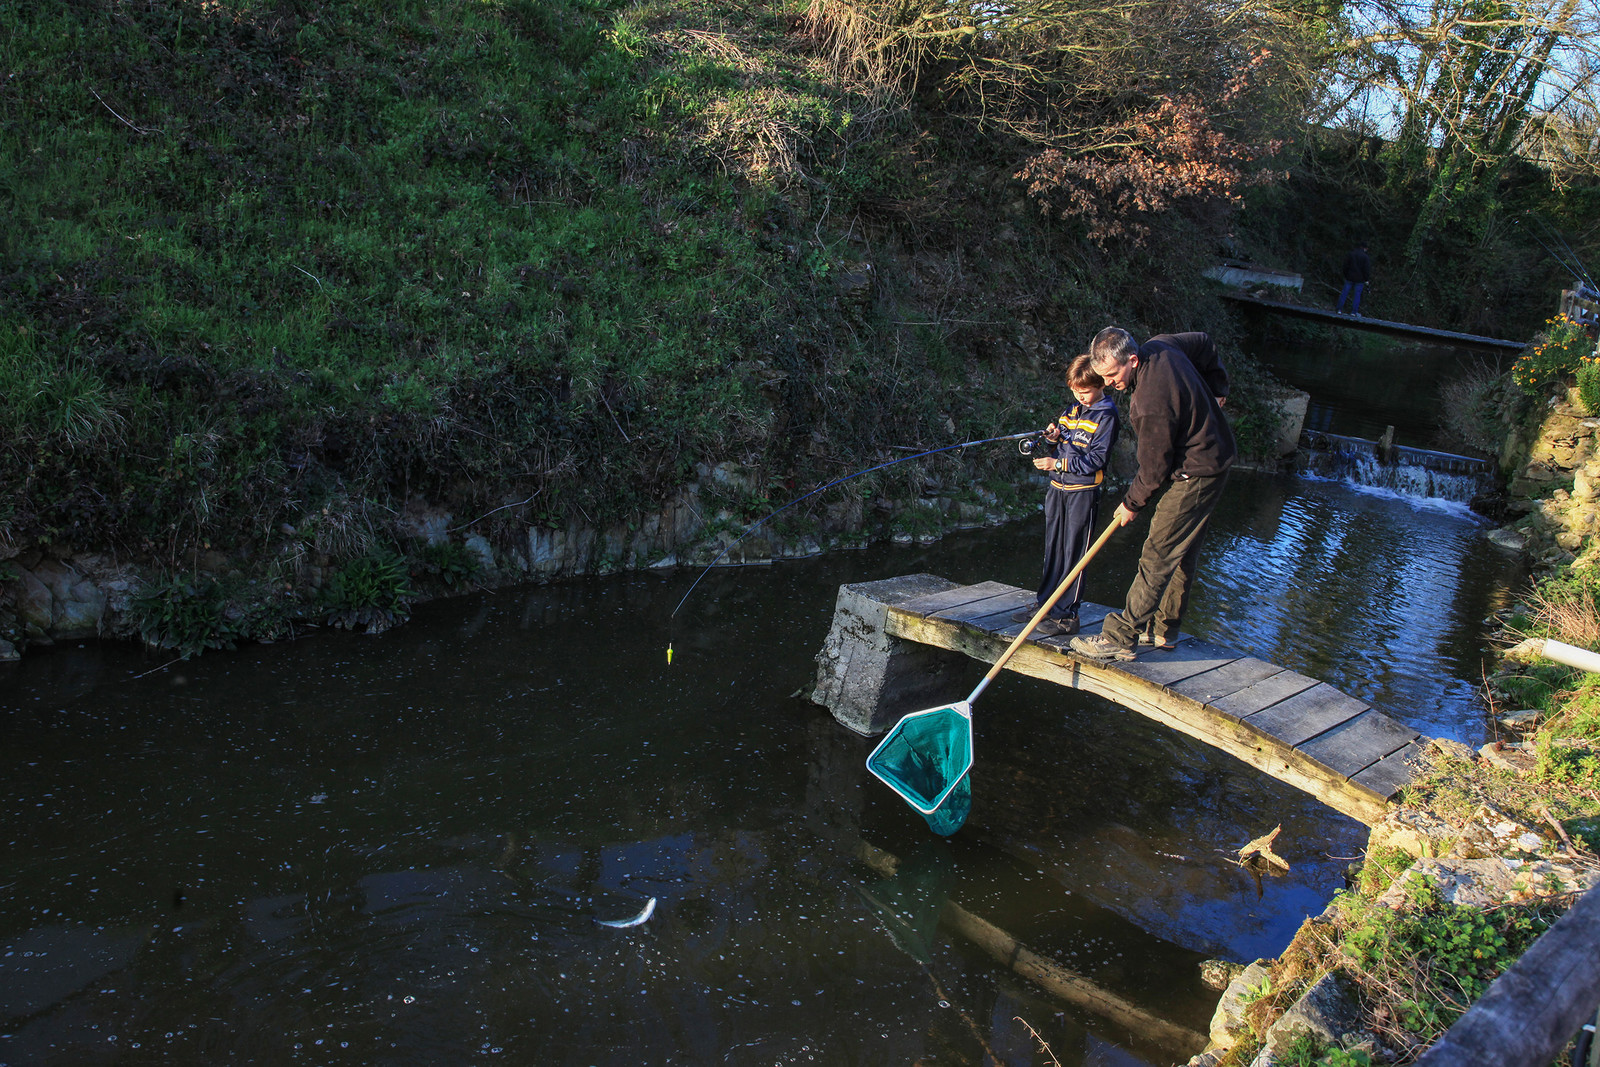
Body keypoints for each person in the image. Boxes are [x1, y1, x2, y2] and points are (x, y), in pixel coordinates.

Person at [1068, 328, 1234, 662]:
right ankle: (1164, 630)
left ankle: (1121, 637)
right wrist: (1218, 388)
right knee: (1183, 550)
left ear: (1132, 358)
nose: (1111, 383)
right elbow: (1204, 341)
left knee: (1158, 552)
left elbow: (1154, 468)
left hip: (1196, 471)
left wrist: (1131, 504)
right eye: (1103, 376)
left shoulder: (1149, 401)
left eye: (1114, 375)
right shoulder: (1163, 346)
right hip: (1215, 457)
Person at [1009, 354, 1121, 637]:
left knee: (1074, 554)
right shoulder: (1071, 411)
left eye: (1084, 392)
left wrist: (1056, 463)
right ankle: (1045, 605)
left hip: (1082, 494)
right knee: (1053, 551)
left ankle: (1066, 617)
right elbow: (1064, 446)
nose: (1079, 397)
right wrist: (1053, 439)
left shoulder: (1106, 416)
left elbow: (1096, 460)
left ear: (1101, 385)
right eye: (1075, 391)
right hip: (1057, 490)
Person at [1335, 242, 1371, 316]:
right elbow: (1366, 269)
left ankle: (1339, 309)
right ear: (1365, 248)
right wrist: (1366, 279)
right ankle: (1353, 312)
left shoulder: (1351, 254)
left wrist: (1346, 275)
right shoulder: (1365, 257)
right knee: (1357, 295)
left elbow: (1345, 265)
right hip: (1360, 279)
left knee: (1344, 293)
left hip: (1349, 277)